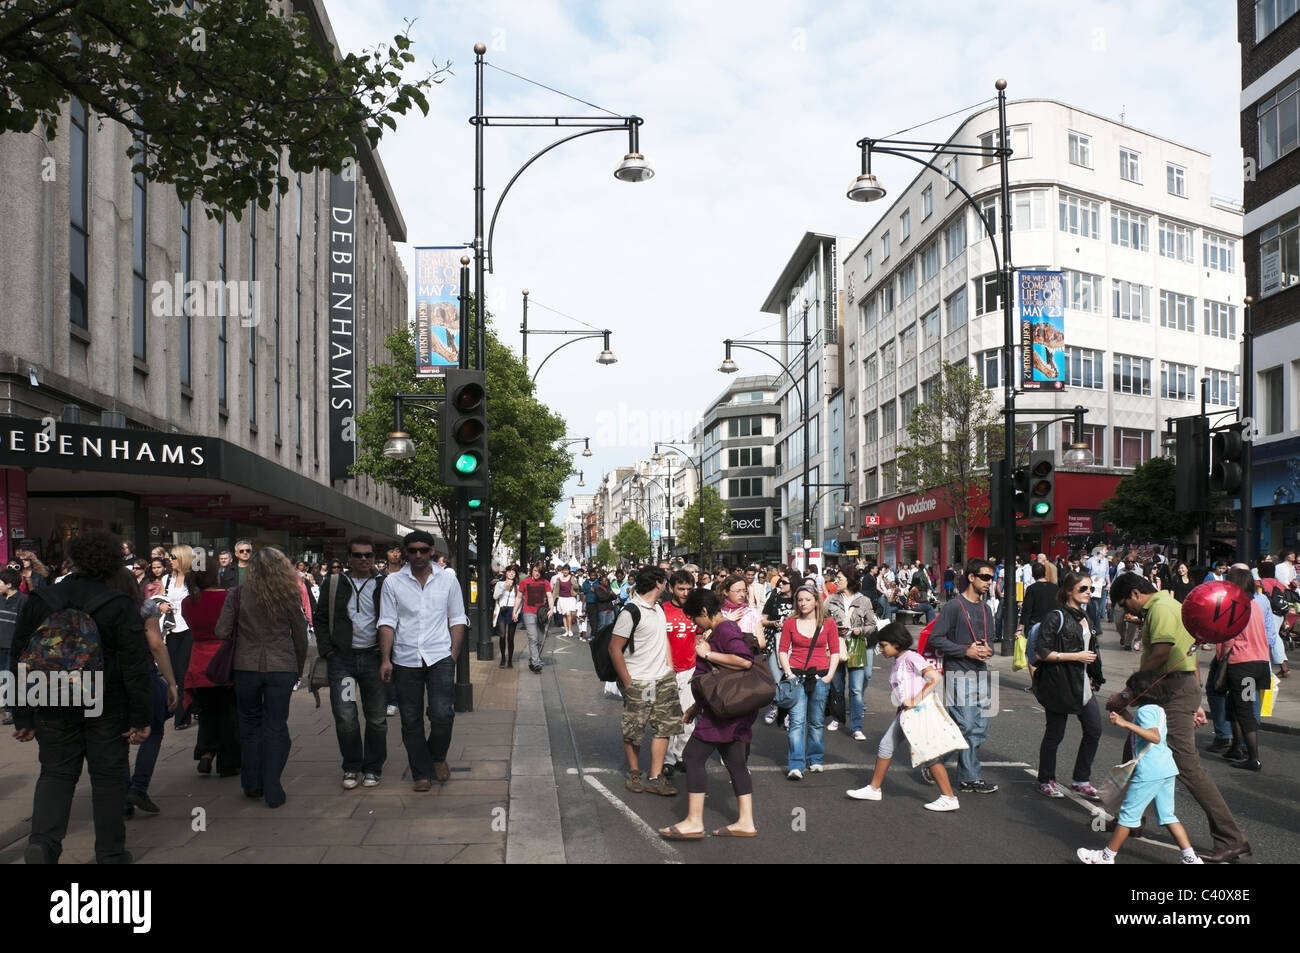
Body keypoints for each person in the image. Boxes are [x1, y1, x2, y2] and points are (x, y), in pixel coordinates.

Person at [10, 531, 153, 864]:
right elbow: (135, 665)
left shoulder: (42, 599)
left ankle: (43, 844)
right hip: (106, 703)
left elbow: (19, 655)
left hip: (51, 699)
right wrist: (140, 717)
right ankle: (110, 852)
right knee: (107, 778)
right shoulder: (118, 604)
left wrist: (22, 714)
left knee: (56, 773)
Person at [1106, 572, 1250, 863]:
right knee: (1136, 748)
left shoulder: (1159, 608)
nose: (1126, 611)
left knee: (1185, 763)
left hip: (1169, 687)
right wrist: (1195, 697)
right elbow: (1190, 654)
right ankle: (1131, 818)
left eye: (1124, 603)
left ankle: (1232, 838)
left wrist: (1126, 692)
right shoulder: (1173, 605)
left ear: (1135, 593)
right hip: (1178, 685)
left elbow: (1161, 654)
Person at [658, 588, 759, 840]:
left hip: (722, 713)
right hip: (729, 709)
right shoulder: (722, 628)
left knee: (692, 757)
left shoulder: (724, 629)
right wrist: (695, 707)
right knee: (736, 762)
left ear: (704, 611)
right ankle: (746, 821)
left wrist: (707, 653)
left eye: (694, 618)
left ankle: (694, 821)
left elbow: (744, 660)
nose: (694, 624)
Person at [217, 547, 309, 808]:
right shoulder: (289, 595)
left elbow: (221, 630)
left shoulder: (237, 594)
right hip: (281, 666)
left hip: (246, 666)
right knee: (276, 725)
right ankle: (273, 786)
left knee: (249, 725)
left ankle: (252, 782)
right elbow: (301, 636)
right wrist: (299, 667)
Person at [378, 532, 467, 792]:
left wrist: (454, 653)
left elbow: (458, 618)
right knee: (410, 719)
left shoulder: (448, 580)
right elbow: (387, 621)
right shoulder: (392, 583)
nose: (418, 555)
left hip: (440, 656)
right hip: (405, 658)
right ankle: (421, 772)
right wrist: (386, 659)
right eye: (413, 550)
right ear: (406, 552)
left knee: (442, 714)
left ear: (431, 551)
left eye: (423, 550)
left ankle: (436, 756)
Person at [845, 622, 960, 811]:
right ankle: (874, 788)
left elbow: (935, 677)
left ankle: (949, 797)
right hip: (906, 714)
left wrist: (915, 699)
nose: (881, 649)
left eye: (883, 645)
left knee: (928, 754)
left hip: (917, 713)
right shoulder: (900, 659)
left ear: (896, 643)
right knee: (886, 746)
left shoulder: (911, 657)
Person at [1077, 705, 1204, 865]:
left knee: (1127, 816)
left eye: (1128, 690)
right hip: (1166, 767)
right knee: (1168, 815)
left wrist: (1125, 723)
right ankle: (1191, 858)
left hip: (1149, 771)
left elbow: (1154, 736)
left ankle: (1106, 857)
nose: (1126, 694)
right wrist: (1123, 714)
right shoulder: (1156, 708)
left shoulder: (1145, 710)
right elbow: (1144, 728)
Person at [315, 536, 388, 789]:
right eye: (358, 555)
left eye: (368, 555)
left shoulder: (384, 583)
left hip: (374, 658)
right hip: (343, 660)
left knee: (377, 717)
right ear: (349, 558)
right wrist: (328, 651)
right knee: (346, 716)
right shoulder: (335, 583)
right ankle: (352, 766)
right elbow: (321, 617)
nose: (364, 559)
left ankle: (373, 767)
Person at [926, 558, 998, 794]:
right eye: (985, 577)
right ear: (971, 577)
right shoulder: (954, 606)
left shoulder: (986, 609)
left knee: (979, 727)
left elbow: (990, 642)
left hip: (981, 672)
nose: (990, 582)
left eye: (991, 577)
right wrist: (965, 650)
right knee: (966, 723)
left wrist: (988, 650)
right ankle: (935, 759)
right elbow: (936, 638)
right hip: (958, 672)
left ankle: (969, 777)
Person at [608, 566, 680, 797]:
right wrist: (628, 683)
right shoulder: (630, 612)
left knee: (664, 728)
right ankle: (634, 772)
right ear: (658, 583)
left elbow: (664, 640)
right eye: (665, 582)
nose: (666, 586)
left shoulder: (657, 608)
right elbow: (614, 649)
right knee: (634, 729)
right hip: (640, 680)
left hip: (662, 679)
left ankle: (655, 777)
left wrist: (669, 668)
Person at [1032, 571, 1104, 799]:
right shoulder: (1056, 617)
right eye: (1083, 589)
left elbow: (1092, 650)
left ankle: (1081, 779)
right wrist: (1076, 657)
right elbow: (1042, 652)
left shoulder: (1086, 617)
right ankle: (1046, 779)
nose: (1088, 593)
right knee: (1055, 734)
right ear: (1068, 591)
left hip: (1082, 684)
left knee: (1094, 729)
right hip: (1059, 683)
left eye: (1091, 589)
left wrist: (1093, 675)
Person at [121, 567, 179, 817]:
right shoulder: (144, 608)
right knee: (154, 727)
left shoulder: (94, 607)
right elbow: (156, 645)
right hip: (141, 674)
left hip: (107, 678)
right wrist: (172, 683)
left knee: (115, 738)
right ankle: (139, 787)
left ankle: (122, 796)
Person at [183, 564, 240, 779]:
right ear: (215, 575)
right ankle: (228, 762)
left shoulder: (188, 602)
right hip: (224, 659)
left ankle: (206, 752)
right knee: (228, 713)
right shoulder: (229, 597)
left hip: (199, 662)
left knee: (207, 711)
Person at [778, 583, 840, 779]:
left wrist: (829, 676)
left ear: (816, 601)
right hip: (796, 677)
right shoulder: (790, 622)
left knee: (816, 721)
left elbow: (836, 652)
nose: (803, 603)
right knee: (797, 721)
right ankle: (796, 764)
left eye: (807, 599)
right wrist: (789, 673)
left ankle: (815, 759)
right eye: (800, 600)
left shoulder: (828, 623)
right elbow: (782, 650)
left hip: (820, 676)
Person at [1216, 568, 1271, 771]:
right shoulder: (1255, 605)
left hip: (1243, 665)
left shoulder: (1235, 606)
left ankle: (1253, 757)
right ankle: (1236, 747)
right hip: (1260, 662)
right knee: (1235, 706)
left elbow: (1229, 638)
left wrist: (1221, 657)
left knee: (1245, 710)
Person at [826, 567, 877, 739]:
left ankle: (856, 726)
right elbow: (821, 622)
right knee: (837, 687)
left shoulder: (864, 601)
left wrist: (859, 630)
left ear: (849, 580)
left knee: (855, 689)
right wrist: (833, 630)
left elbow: (872, 625)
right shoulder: (830, 600)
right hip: (836, 646)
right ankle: (837, 718)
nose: (836, 581)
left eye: (839, 578)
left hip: (857, 646)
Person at [662, 569, 702, 778]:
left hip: (690, 669)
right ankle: (666, 760)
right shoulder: (662, 610)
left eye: (689, 589)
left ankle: (681, 756)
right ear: (671, 588)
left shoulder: (696, 611)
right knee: (669, 718)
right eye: (681, 589)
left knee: (688, 717)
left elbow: (703, 635)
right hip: (666, 670)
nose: (685, 593)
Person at [514, 563, 555, 674]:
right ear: (532, 570)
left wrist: (551, 609)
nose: (537, 573)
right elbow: (518, 598)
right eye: (535, 570)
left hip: (542, 613)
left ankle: (533, 659)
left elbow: (550, 596)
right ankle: (536, 664)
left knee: (540, 640)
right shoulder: (524, 582)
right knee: (533, 638)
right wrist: (515, 611)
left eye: (540, 572)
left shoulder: (545, 582)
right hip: (528, 613)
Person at [0, 568, 27, 725]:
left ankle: (10, 710)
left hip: (12, 646)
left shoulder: (23, 601)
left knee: (10, 677)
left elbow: (24, 626)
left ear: (9, 584)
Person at [493, 565, 520, 668]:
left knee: (510, 638)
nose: (511, 573)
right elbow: (495, 596)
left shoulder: (518, 586)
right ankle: (503, 657)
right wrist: (504, 587)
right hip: (502, 610)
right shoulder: (500, 584)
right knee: (502, 635)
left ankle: (510, 660)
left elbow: (520, 600)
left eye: (513, 572)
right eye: (509, 571)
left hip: (512, 610)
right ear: (506, 573)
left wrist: (516, 612)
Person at [552, 565, 580, 639]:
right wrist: (553, 599)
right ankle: (566, 631)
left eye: (567, 570)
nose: (565, 571)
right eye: (564, 570)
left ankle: (570, 630)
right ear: (562, 571)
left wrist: (574, 583)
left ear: (569, 571)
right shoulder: (559, 579)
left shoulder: (572, 578)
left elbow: (577, 587)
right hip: (561, 598)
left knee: (568, 613)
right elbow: (556, 590)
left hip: (570, 598)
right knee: (564, 615)